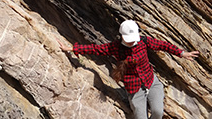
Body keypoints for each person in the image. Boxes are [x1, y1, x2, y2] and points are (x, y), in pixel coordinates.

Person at [58, 20, 199, 119]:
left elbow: (163, 45)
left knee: (157, 112)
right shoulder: (116, 47)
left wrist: (181, 53)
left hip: (151, 82)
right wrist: (72, 48)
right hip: (134, 88)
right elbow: (96, 49)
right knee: (140, 116)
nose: (132, 41)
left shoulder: (143, 41)